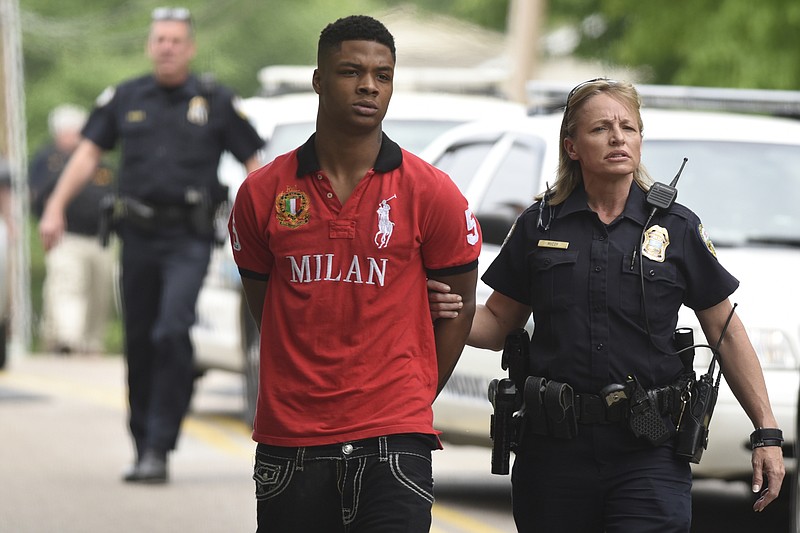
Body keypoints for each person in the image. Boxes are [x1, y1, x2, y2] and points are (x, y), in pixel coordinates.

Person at [428, 79, 785, 532]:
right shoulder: (538, 224)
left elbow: (727, 333)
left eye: (628, 127)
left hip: (649, 453)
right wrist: (441, 307)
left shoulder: (677, 227)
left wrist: (767, 432)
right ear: (572, 146)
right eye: (601, 128)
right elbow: (498, 322)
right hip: (554, 454)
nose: (618, 137)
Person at [228, 15, 480, 532]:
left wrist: (413, 395)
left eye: (383, 75)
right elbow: (266, 304)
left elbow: (460, 306)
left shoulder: (432, 192)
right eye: (351, 71)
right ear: (319, 80)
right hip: (291, 443)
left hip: (394, 443)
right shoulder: (261, 193)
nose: (369, 84)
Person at [38, 7, 264, 484]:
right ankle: (145, 446)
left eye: (176, 40)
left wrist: (269, 219)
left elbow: (255, 162)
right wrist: (56, 205)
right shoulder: (126, 97)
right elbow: (88, 153)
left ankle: (162, 439)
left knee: (170, 331)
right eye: (159, 39)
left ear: (190, 47)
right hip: (136, 236)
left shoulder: (215, 100)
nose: (166, 47)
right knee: (140, 343)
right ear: (149, 45)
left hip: (188, 237)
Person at [29, 104, 115, 354]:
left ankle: (91, 342)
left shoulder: (99, 161)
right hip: (66, 236)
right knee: (68, 286)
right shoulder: (49, 160)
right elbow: (37, 195)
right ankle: (69, 340)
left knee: (98, 294)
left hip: (100, 237)